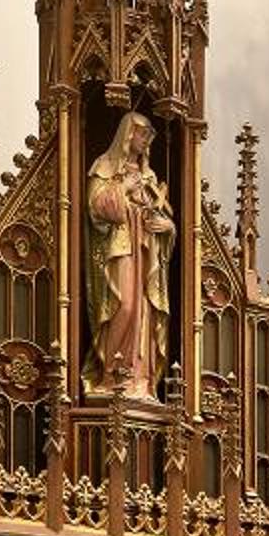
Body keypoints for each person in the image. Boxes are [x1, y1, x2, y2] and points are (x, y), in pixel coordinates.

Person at [83, 112, 176, 394]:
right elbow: (96, 208)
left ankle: (140, 379)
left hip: (146, 253)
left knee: (144, 310)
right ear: (127, 134)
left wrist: (168, 228)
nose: (146, 140)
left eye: (149, 136)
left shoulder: (150, 176)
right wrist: (122, 188)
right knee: (124, 306)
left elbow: (161, 213)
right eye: (141, 133)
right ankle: (112, 376)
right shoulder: (105, 165)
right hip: (120, 247)